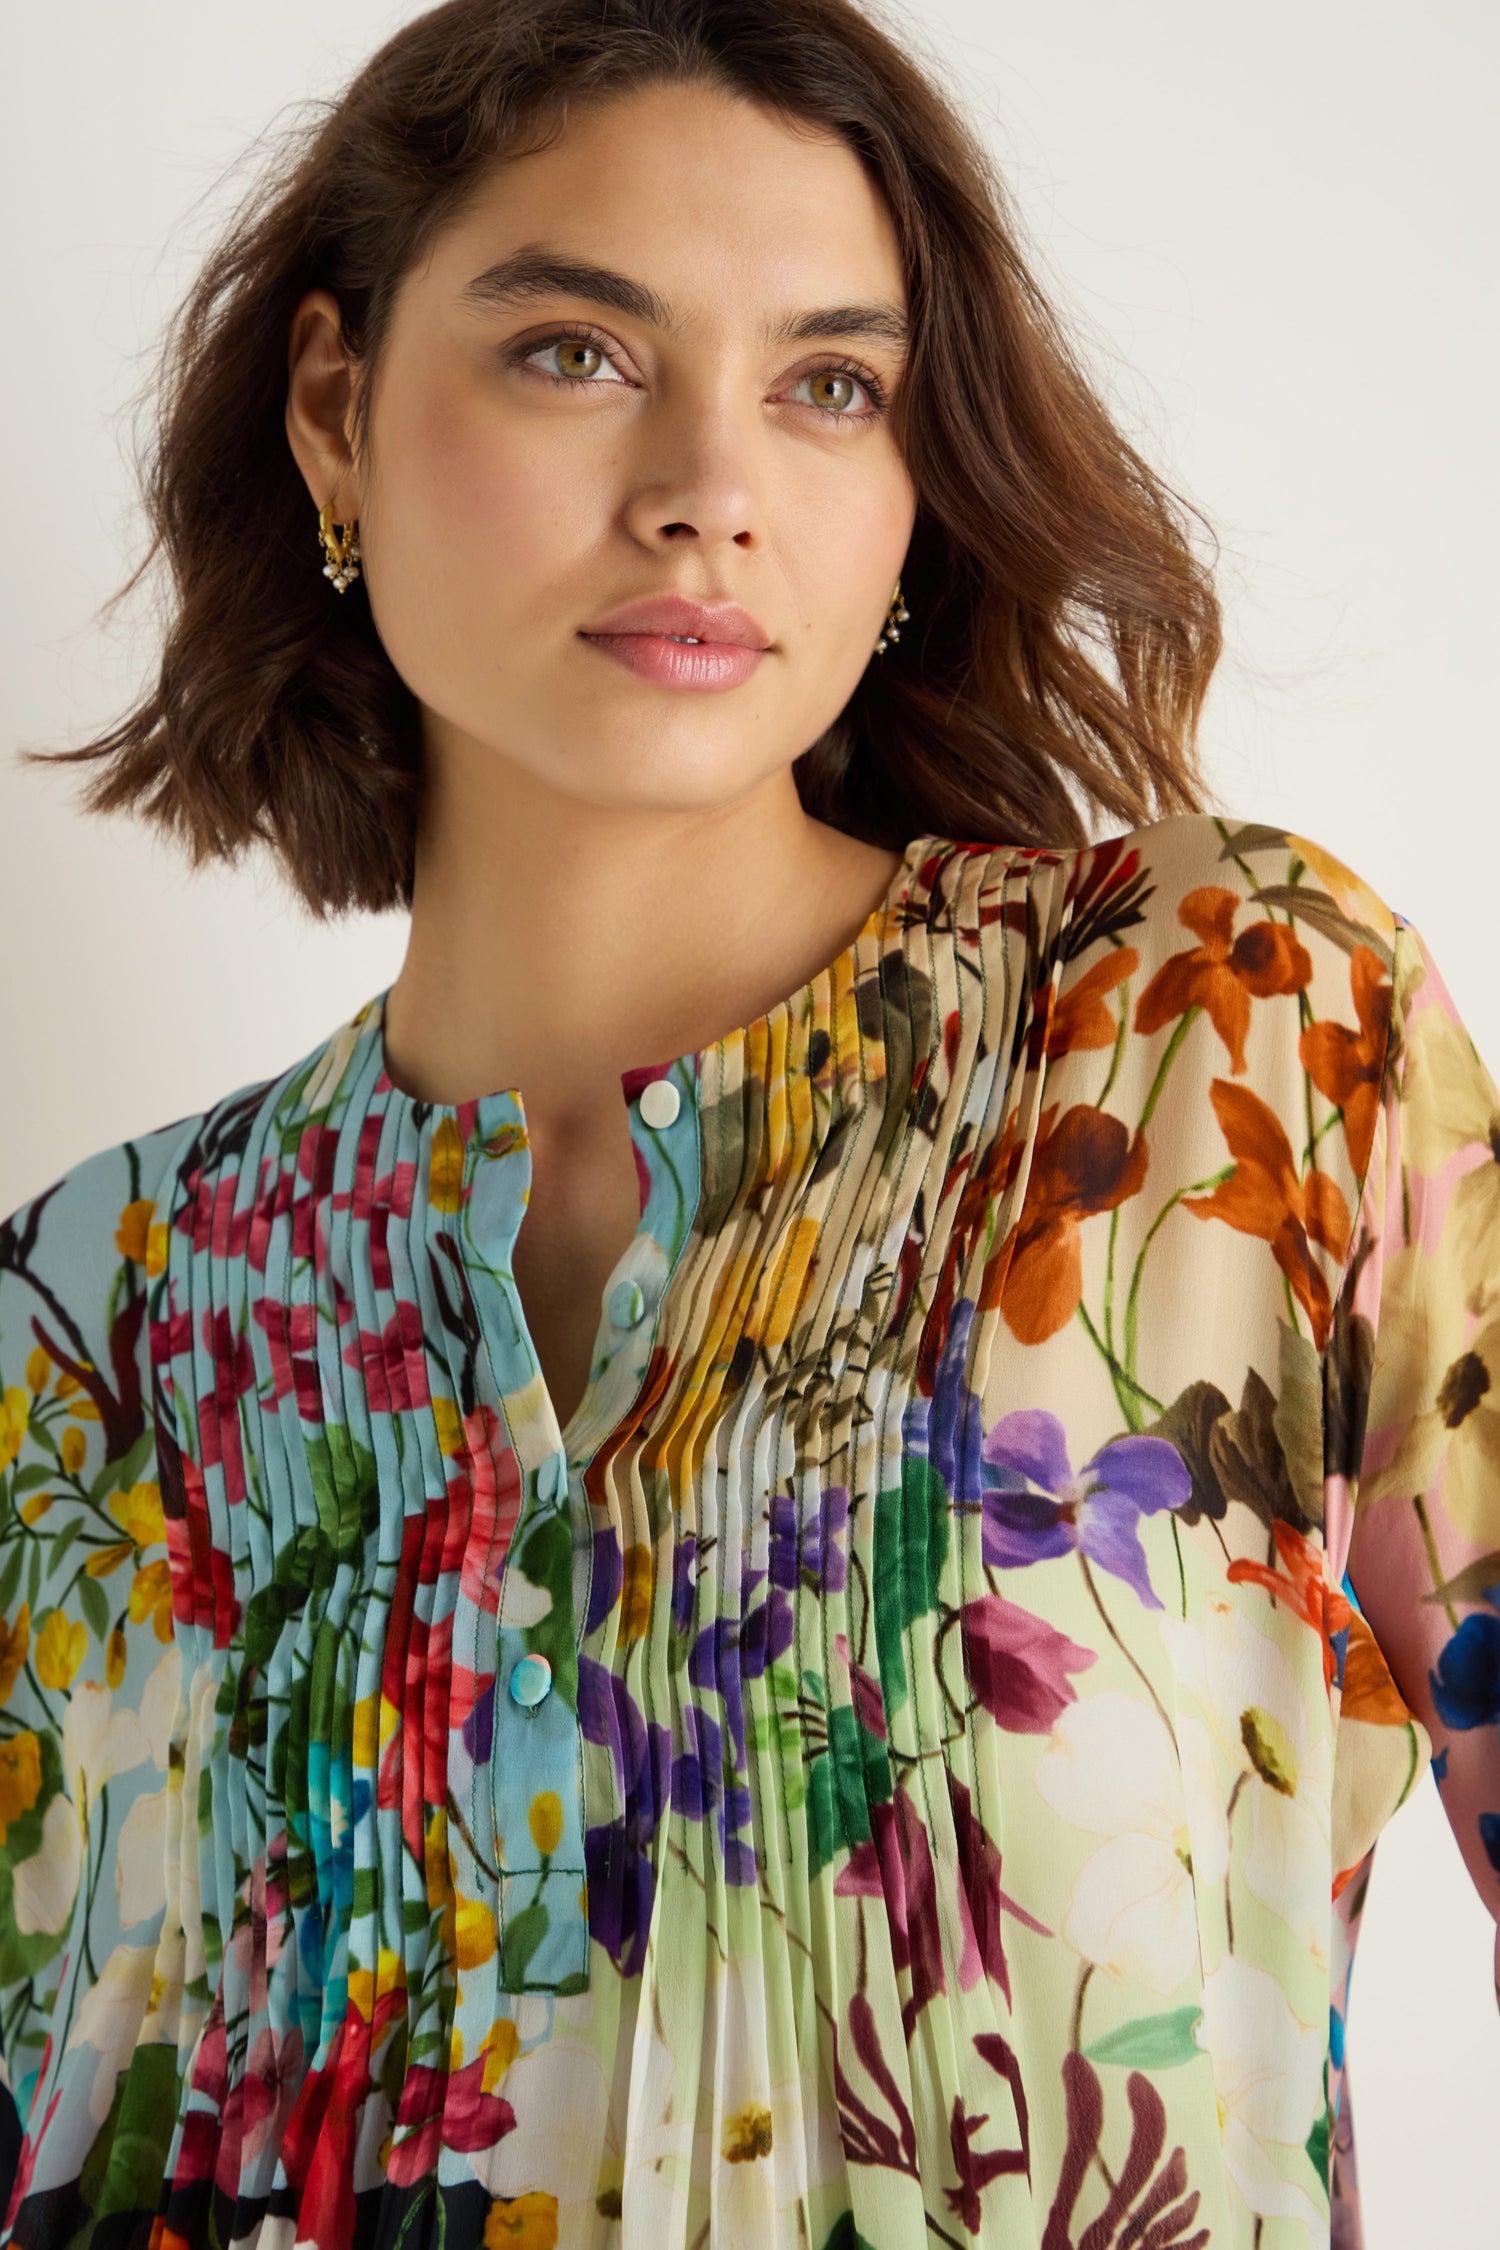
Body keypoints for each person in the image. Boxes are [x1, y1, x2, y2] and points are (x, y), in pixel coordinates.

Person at [0, 0, 1495, 2243]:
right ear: (337, 410)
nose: (710, 484)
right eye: (576, 353)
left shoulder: (1220, 1033)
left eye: (829, 384)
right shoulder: (95, 1326)